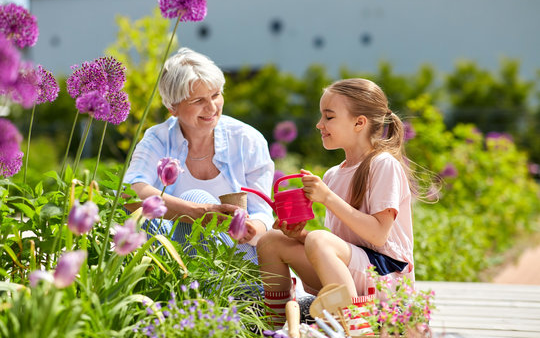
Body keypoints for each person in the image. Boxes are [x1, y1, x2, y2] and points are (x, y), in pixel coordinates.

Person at [257, 78, 418, 330]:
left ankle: (355, 328)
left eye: (329, 117)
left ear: (359, 122)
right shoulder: (333, 174)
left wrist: (327, 198)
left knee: (319, 239)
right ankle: (279, 328)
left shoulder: (383, 164)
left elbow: (377, 235)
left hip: (386, 277)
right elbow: (341, 246)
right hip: (352, 276)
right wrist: (299, 235)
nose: (319, 124)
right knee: (271, 240)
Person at [124, 47, 274, 264]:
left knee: (193, 199)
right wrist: (199, 212)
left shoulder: (246, 140)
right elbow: (130, 192)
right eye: (198, 101)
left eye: (215, 95)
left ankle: (212, 294)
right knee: (154, 216)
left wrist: (251, 229)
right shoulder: (157, 139)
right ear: (172, 107)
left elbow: (262, 213)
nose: (212, 107)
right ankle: (200, 293)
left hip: (237, 260)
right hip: (175, 260)